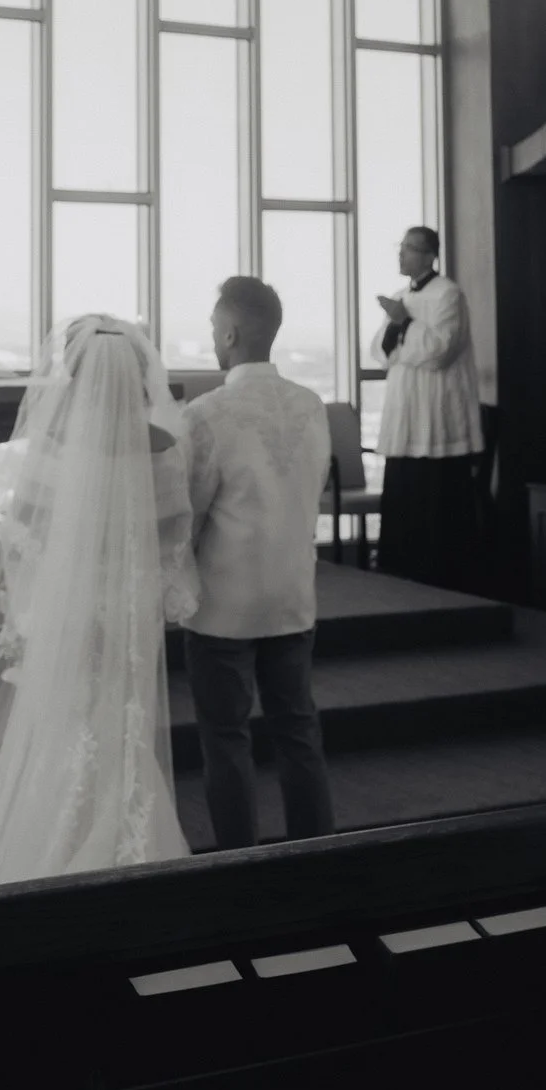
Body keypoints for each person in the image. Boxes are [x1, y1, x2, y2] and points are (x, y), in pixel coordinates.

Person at [0, 314, 196, 892]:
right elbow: (173, 542)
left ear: (72, 377)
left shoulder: (56, 446)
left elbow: (23, 541)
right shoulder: (165, 447)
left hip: (68, 617)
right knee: (123, 727)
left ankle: (56, 850)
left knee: (64, 731)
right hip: (127, 614)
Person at [183, 277, 334, 850]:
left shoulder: (207, 413)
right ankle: (316, 853)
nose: (214, 339)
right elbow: (312, 489)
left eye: (214, 329)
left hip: (223, 601)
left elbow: (194, 511)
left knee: (226, 739)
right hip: (293, 593)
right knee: (298, 731)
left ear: (231, 331)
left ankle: (239, 863)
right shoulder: (311, 405)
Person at [369, 225, 482, 588]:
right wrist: (397, 329)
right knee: (403, 491)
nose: (401, 254)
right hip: (405, 411)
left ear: (431, 254)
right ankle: (399, 569)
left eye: (409, 248)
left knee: (436, 498)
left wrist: (405, 323)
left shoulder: (448, 294)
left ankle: (438, 574)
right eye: (400, 247)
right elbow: (381, 353)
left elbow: (440, 351)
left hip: (437, 413)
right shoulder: (402, 295)